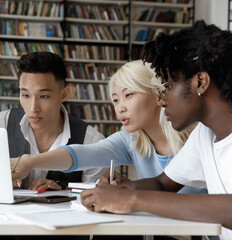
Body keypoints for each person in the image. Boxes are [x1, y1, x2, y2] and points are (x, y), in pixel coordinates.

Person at [12, 21, 232, 240]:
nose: (163, 99)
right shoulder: (204, 136)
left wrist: (132, 199)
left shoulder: (200, 135)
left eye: (168, 87)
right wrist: (123, 189)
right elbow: (163, 183)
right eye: (116, 99)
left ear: (200, 82)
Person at [0, 51, 105, 191]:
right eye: (25, 95)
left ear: (64, 94)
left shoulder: (92, 141)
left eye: (43, 96)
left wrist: (64, 190)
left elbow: (96, 197)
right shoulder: (1, 124)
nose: (33, 108)